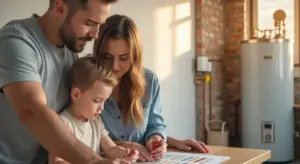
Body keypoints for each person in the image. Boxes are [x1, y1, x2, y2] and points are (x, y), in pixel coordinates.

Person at [0, 0, 122, 164]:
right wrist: (93, 161)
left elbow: (72, 122)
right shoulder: (16, 41)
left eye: (99, 25)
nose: (95, 35)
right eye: (90, 23)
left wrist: (117, 147)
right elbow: (32, 111)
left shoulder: (69, 52)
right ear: (59, 8)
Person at [92, 14, 211, 162]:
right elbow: (78, 136)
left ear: (135, 56)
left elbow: (154, 125)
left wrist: (156, 140)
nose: (115, 66)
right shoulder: (86, 82)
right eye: (108, 57)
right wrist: (123, 146)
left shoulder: (149, 81)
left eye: (123, 58)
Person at [49, 56, 139, 164]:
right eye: (97, 100)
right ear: (76, 94)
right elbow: (56, 161)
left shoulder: (96, 122)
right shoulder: (62, 124)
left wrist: (125, 154)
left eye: (104, 101)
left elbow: (110, 149)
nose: (102, 107)